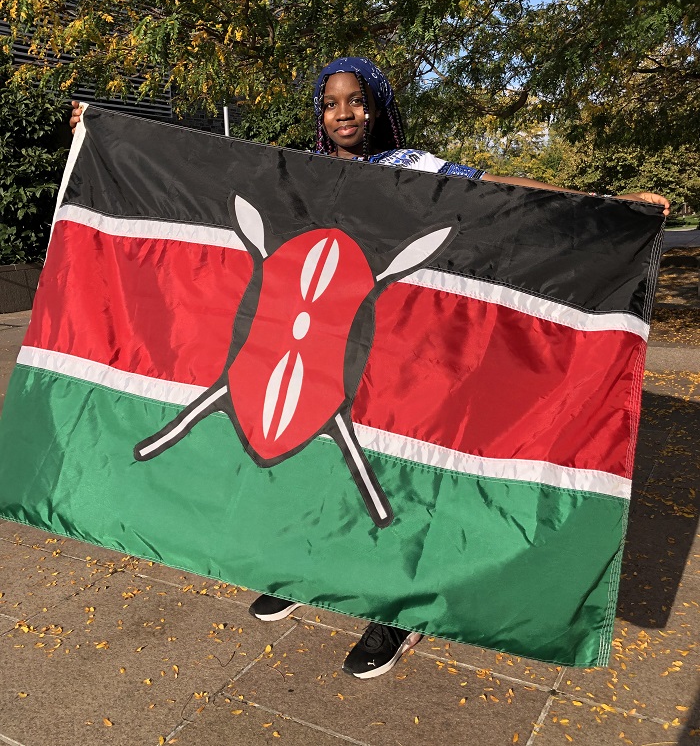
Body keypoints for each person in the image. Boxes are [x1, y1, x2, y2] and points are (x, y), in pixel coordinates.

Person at [68, 60, 669, 680]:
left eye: (357, 101)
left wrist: (610, 206)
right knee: (318, 475)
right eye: (331, 103)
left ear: (377, 108)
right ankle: (309, 572)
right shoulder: (301, 173)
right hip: (319, 354)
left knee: (393, 475)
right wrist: (103, 130)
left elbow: (501, 190)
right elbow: (197, 164)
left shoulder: (413, 169)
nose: (344, 114)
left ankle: (395, 612)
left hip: (402, 358)